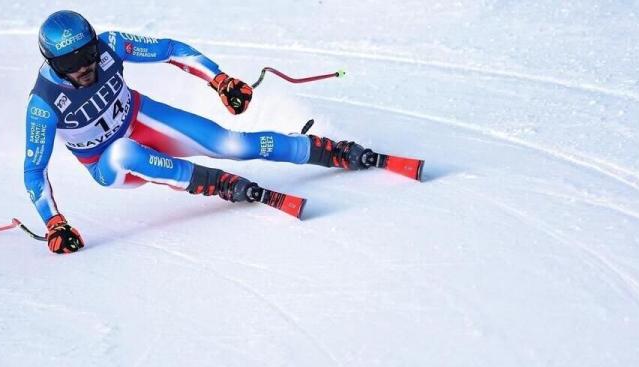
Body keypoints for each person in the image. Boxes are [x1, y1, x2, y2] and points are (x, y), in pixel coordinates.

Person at [26, 10, 389, 254]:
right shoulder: (43, 105)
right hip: (108, 164)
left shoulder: (110, 45)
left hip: (142, 118)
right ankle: (217, 183)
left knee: (231, 143)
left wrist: (220, 79)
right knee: (124, 152)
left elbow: (170, 50)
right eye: (70, 63)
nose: (85, 66)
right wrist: (54, 222)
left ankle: (325, 151)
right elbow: (34, 171)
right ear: (51, 62)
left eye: (87, 53)